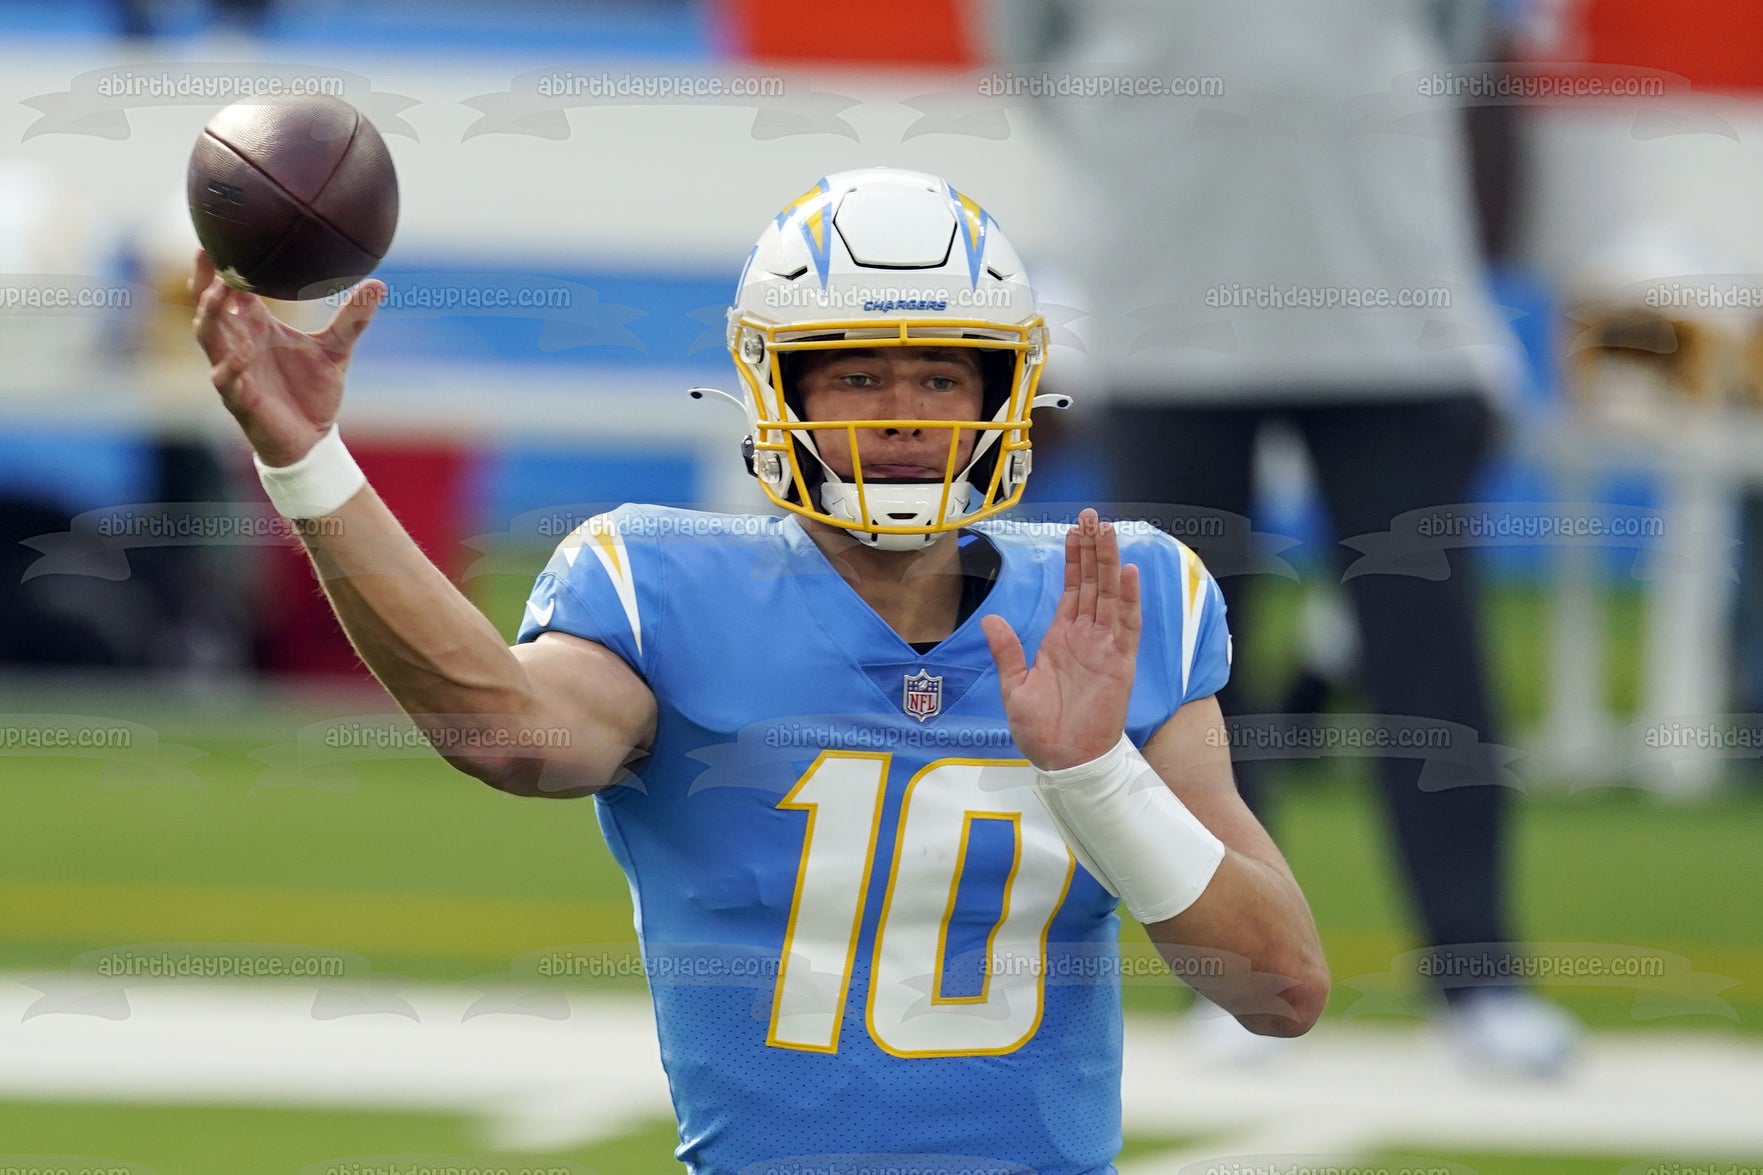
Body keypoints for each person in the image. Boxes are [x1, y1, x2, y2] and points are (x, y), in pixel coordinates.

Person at [190, 166, 1328, 1174]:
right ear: (780, 390)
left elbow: (1280, 988)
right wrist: (310, 462)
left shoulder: (1114, 599)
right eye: (856, 379)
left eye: (941, 379)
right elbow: (504, 732)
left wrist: (1095, 773)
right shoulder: (664, 587)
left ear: (1001, 395)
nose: (903, 419)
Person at [1012, 0, 1577, 1074]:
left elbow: (1458, 41)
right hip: (1163, 305)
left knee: (1428, 654)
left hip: (1388, 305)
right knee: (1185, 661)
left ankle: (1479, 975)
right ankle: (1232, 977)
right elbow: (1031, 49)